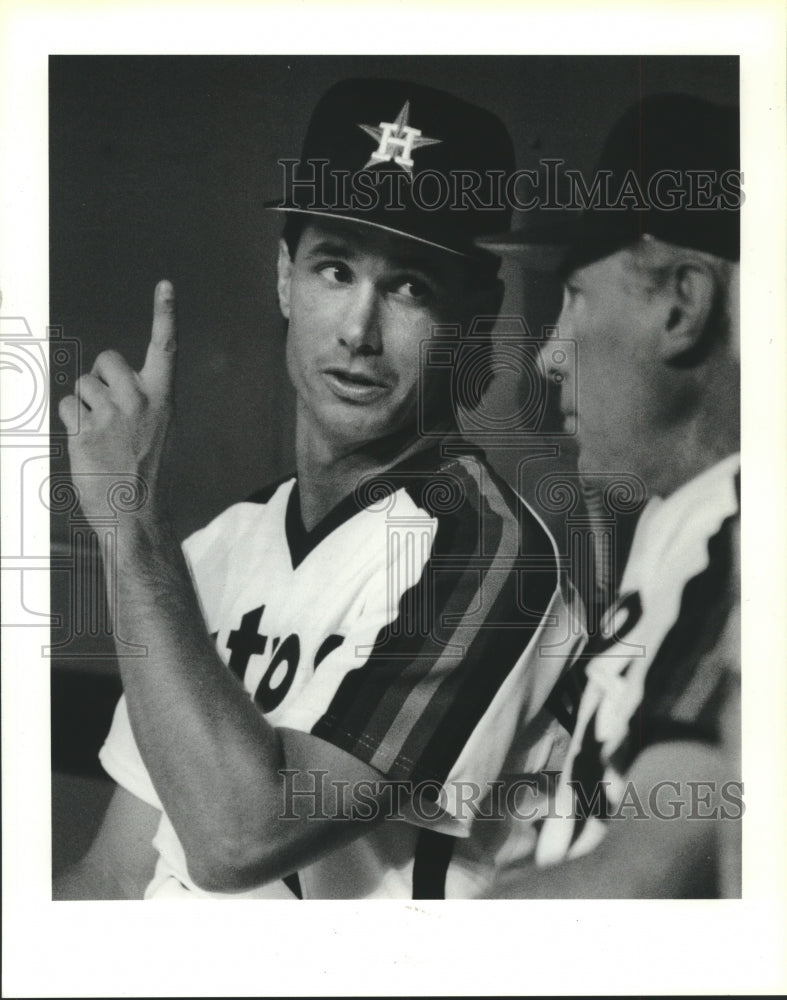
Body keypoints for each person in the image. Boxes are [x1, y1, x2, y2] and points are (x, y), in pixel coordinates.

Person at [53, 78, 572, 900]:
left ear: (478, 315)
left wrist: (126, 525)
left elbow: (239, 839)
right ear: (286, 280)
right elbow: (116, 878)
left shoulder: (483, 554)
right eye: (335, 269)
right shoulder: (218, 546)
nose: (359, 332)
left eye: (410, 287)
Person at [483, 93, 742, 897]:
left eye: (576, 299)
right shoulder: (683, 520)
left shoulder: (746, 537)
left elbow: (636, 886)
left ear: (682, 305)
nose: (551, 356)